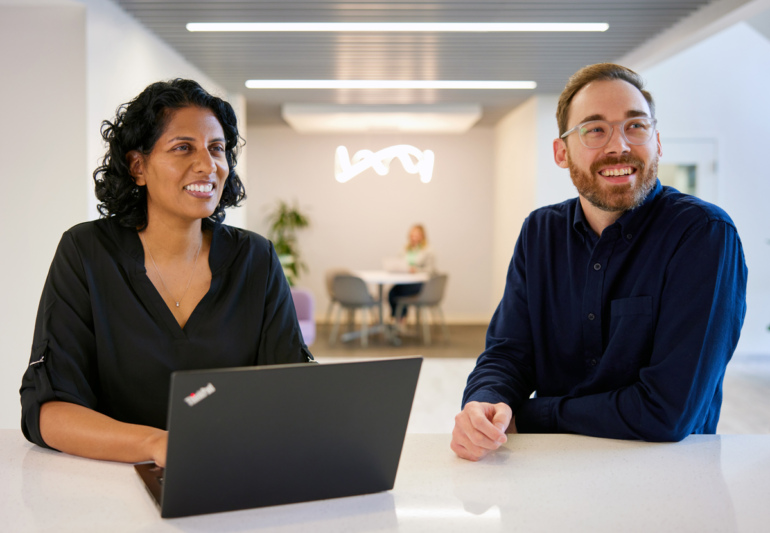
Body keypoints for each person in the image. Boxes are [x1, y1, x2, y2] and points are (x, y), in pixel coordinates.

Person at [451, 63, 747, 461]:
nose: (619, 146)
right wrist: (486, 403)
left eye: (636, 126)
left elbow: (666, 413)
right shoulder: (540, 232)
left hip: (667, 482)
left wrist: (531, 414)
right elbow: (509, 353)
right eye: (595, 129)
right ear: (561, 152)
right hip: (549, 477)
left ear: (657, 141)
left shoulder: (703, 235)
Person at [19, 79, 313, 467]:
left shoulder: (255, 258)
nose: (207, 165)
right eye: (183, 148)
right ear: (137, 166)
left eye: (216, 149)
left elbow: (295, 391)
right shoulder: (86, 253)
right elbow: (48, 412)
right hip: (107, 486)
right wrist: (158, 444)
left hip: (231, 475)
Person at [388, 224, 436, 322]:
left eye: (416, 235)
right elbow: (399, 261)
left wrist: (416, 270)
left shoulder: (428, 250)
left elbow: (431, 270)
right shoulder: (405, 249)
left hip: (420, 283)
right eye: (412, 235)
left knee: (400, 293)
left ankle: (400, 320)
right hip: (405, 280)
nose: (413, 237)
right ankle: (397, 319)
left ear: (422, 236)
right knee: (391, 293)